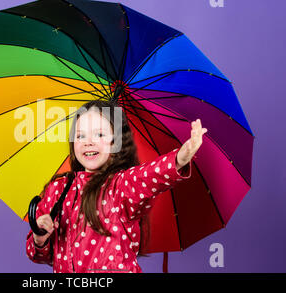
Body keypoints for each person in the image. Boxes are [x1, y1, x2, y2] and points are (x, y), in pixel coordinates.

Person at [25, 99, 207, 273]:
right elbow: (39, 256)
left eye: (99, 134)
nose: (88, 141)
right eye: (80, 135)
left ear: (116, 143)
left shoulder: (121, 186)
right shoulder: (58, 190)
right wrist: (39, 239)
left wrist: (179, 159)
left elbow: (149, 176)